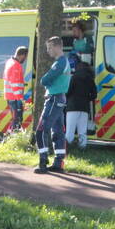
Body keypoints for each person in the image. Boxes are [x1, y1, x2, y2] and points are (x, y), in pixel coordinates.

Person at [35, 36, 71, 174]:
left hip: (54, 99)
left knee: (41, 130)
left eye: (49, 47)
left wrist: (47, 83)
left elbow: (45, 80)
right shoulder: (64, 61)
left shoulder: (60, 63)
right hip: (60, 98)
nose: (48, 50)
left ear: (57, 46)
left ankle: (43, 161)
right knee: (58, 132)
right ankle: (58, 162)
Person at [65, 60, 96, 150]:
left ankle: (67, 148)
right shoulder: (90, 79)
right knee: (82, 131)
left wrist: (67, 99)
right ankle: (82, 147)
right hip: (84, 108)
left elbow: (68, 91)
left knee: (70, 130)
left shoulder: (74, 77)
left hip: (72, 107)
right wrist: (87, 99)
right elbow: (94, 95)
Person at [4, 45, 28, 131]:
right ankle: (12, 138)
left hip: (10, 97)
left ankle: (11, 137)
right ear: (22, 55)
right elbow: (15, 84)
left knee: (15, 119)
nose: (25, 60)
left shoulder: (9, 62)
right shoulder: (16, 65)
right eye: (25, 57)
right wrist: (20, 100)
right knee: (17, 121)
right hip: (15, 98)